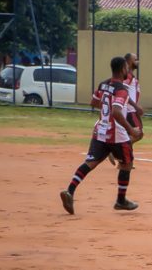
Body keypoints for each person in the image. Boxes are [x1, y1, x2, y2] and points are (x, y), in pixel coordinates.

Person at [60, 56, 142, 214]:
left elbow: (94, 102)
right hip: (117, 134)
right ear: (123, 69)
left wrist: (106, 109)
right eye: (126, 68)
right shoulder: (121, 90)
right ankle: (120, 200)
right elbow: (117, 112)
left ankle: (70, 191)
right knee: (127, 163)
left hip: (100, 131)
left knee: (90, 162)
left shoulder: (103, 84)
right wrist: (131, 130)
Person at [109, 52, 144, 167]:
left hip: (131, 109)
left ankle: (124, 161)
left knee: (131, 134)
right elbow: (123, 92)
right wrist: (135, 106)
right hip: (129, 110)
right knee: (138, 134)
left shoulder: (130, 76)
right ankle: (115, 151)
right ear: (128, 62)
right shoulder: (127, 76)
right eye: (135, 59)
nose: (137, 61)